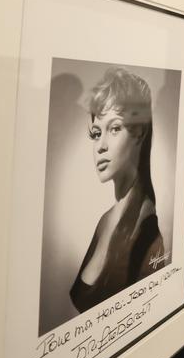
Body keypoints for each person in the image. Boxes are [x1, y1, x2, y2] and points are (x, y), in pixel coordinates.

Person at [71, 67, 166, 313]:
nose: (100, 146)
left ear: (139, 132)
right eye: (95, 133)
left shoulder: (148, 233)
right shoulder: (104, 222)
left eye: (114, 128)